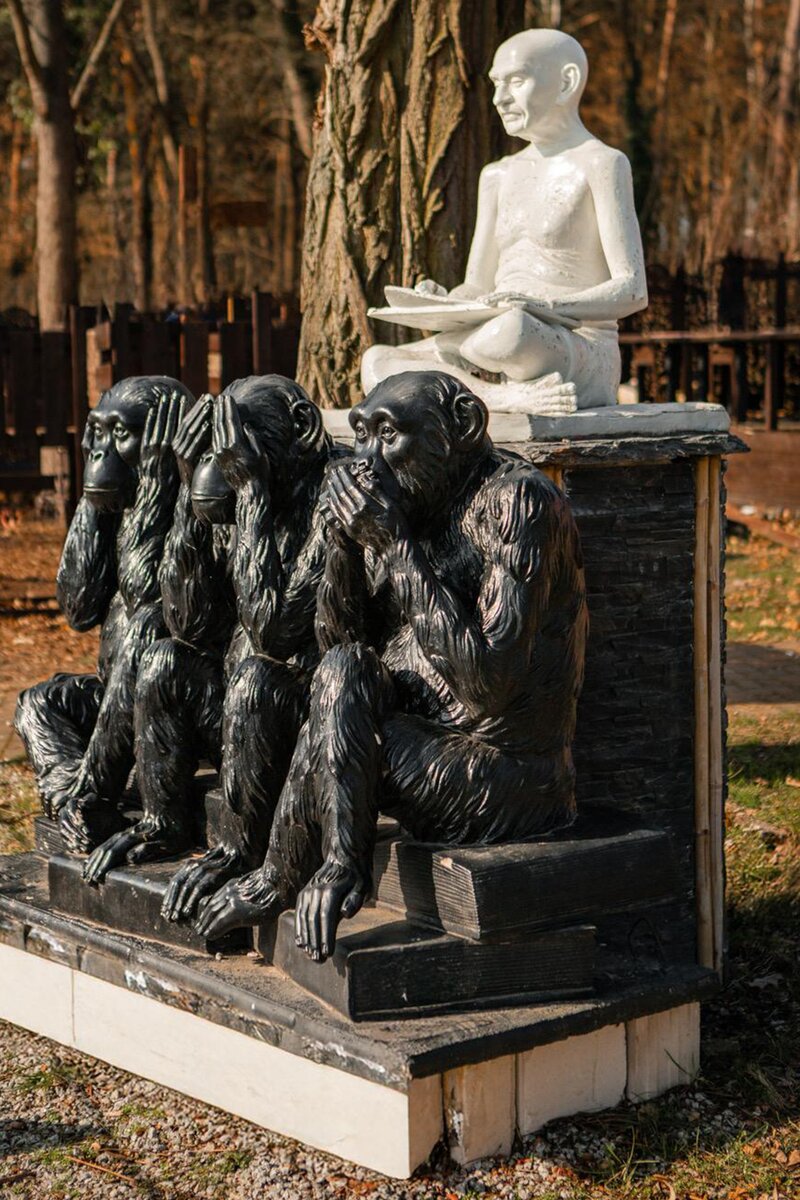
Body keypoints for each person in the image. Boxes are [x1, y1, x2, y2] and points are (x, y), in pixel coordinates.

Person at [362, 29, 648, 413]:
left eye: (516, 81)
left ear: (567, 82)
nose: (500, 99)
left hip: (573, 343)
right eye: (496, 84)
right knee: (377, 363)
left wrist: (543, 304)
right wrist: (443, 303)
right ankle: (503, 398)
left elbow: (632, 290)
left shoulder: (602, 164)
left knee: (510, 331)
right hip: (492, 338)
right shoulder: (497, 175)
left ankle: (476, 379)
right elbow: (478, 285)